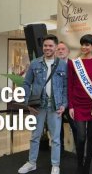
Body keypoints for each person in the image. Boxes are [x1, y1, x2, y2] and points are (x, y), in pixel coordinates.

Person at [18, 34, 67, 174]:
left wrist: (64, 104)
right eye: (45, 45)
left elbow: (65, 87)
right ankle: (31, 162)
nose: (47, 48)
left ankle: (55, 165)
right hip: (38, 106)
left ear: (56, 47)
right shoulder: (35, 63)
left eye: (51, 45)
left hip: (55, 106)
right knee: (35, 136)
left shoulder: (62, 65)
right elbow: (26, 83)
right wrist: (28, 102)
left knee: (56, 138)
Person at [68, 34, 92, 174]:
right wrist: (71, 105)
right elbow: (70, 85)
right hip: (77, 104)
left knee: (91, 136)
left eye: (87, 44)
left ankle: (87, 165)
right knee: (81, 137)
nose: (84, 47)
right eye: (82, 44)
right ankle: (79, 164)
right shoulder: (73, 63)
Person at [56, 41, 77, 154]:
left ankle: (78, 153)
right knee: (58, 130)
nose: (60, 51)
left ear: (68, 52)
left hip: (71, 103)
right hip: (57, 103)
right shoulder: (52, 66)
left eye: (63, 49)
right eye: (58, 49)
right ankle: (59, 153)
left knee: (75, 128)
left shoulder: (74, 65)